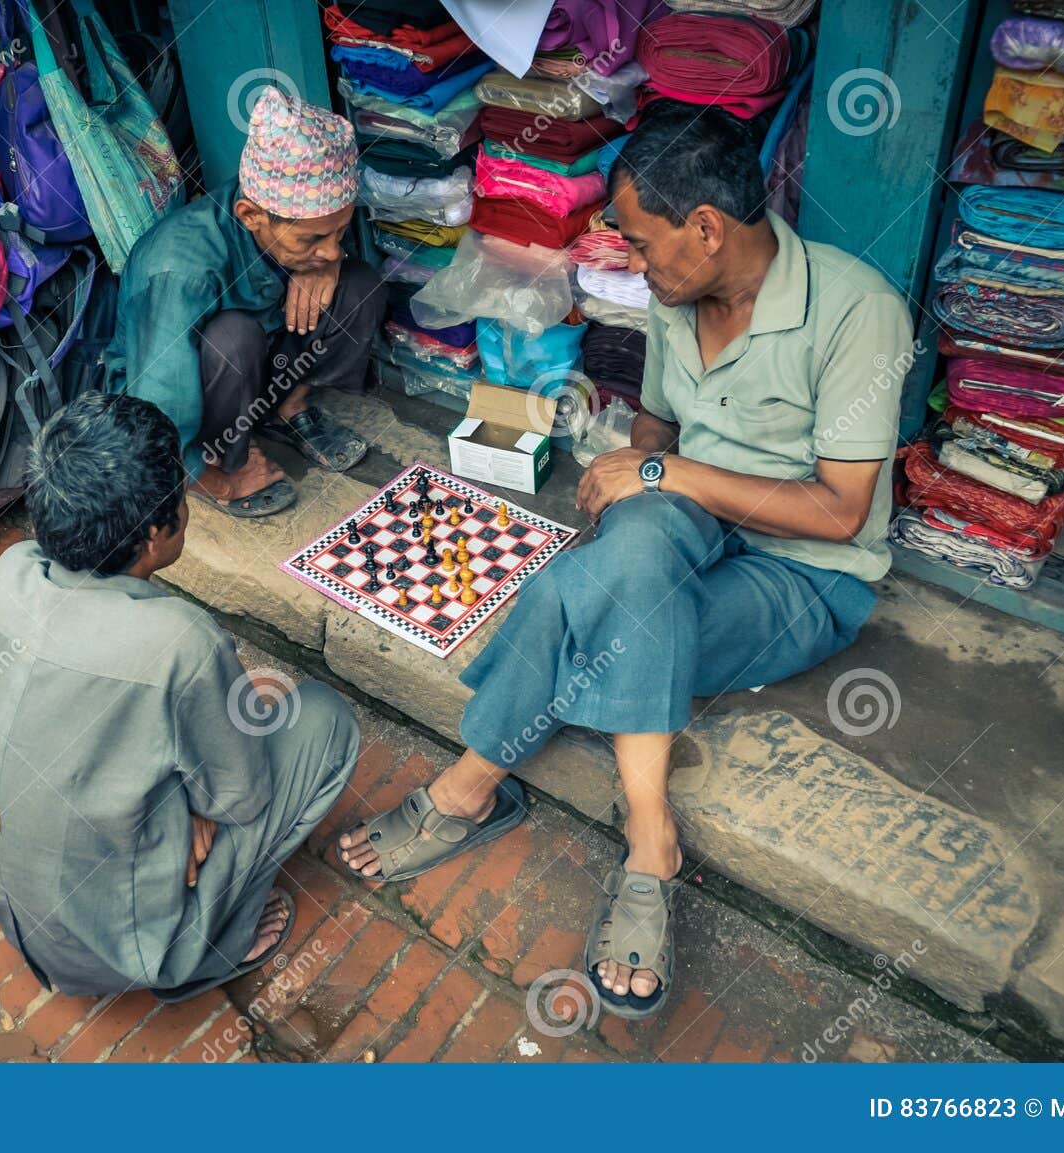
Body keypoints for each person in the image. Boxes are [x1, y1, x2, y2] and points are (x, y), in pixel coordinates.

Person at [336, 107, 912, 1020]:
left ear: (709, 228)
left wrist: (656, 473)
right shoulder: (682, 300)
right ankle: (643, 842)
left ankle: (487, 793)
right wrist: (644, 475)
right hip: (687, 527)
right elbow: (657, 426)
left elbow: (841, 512)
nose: (636, 267)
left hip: (804, 573)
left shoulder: (857, 311)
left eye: (643, 245)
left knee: (596, 598)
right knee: (630, 559)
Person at [0, 393, 359, 1000]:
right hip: (119, 952)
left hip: (16, 907)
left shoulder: (13, 568)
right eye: (182, 494)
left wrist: (193, 802)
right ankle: (211, 945)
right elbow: (242, 799)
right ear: (154, 532)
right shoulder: (178, 640)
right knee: (324, 719)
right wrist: (201, 804)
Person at [108, 86, 386, 519]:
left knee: (358, 283)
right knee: (232, 337)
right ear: (249, 215)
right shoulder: (178, 271)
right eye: (314, 238)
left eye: (338, 232)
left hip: (263, 356)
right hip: (180, 387)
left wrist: (327, 261)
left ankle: (286, 409)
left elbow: (330, 252)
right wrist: (216, 481)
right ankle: (218, 458)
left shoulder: (292, 219)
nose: (331, 248)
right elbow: (154, 411)